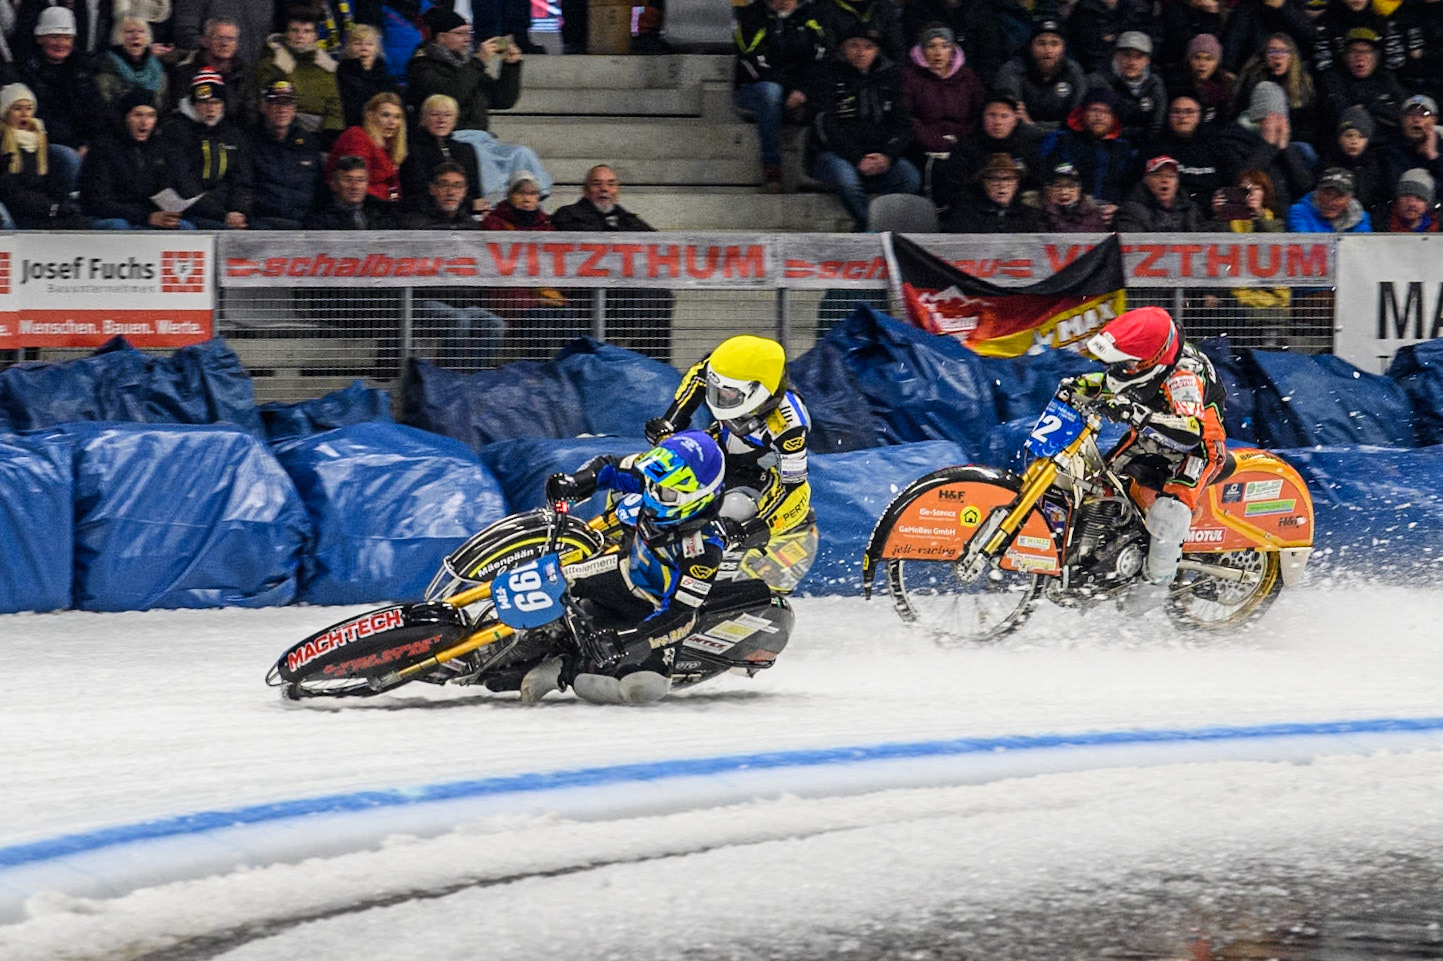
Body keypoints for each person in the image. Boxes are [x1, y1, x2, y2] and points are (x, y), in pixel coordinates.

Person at [530, 430, 761, 704]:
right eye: (651, 482)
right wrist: (575, 484)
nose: (651, 493)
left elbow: (680, 617)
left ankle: (566, 666)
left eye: (664, 490)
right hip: (625, 571)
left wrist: (626, 641)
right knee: (549, 579)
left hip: (655, 612)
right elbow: (608, 467)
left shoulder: (703, 550)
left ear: (694, 497)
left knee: (642, 688)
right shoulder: (658, 474)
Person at [1076, 306, 1227, 611]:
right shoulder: (1145, 356)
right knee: (1100, 484)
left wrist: (1136, 413)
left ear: (1150, 361)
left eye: (1127, 364)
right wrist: (1079, 386)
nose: (1120, 369)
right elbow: (1110, 382)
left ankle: (1153, 587)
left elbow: (1191, 431)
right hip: (1151, 432)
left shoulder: (1183, 376)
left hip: (1198, 447)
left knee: (1167, 516)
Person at [644, 335, 818, 594]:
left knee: (730, 511)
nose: (718, 398)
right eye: (717, 391)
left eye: (728, 395)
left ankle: (704, 575)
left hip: (760, 480)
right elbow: (696, 379)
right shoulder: (720, 373)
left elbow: (794, 488)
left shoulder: (789, 425)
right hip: (719, 450)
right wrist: (669, 426)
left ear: (758, 393)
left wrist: (758, 526)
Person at [552, 165, 675, 362]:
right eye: (597, 184)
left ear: (617, 191)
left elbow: (656, 246)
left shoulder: (629, 220)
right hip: (585, 296)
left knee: (660, 295)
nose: (604, 189)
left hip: (626, 296)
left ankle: (654, 367)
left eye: (610, 184)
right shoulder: (567, 215)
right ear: (585, 190)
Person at [807, 23, 919, 231]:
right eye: (854, 46)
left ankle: (870, 227)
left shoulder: (890, 76)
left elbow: (902, 124)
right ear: (843, 48)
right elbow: (825, 125)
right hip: (835, 155)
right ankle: (873, 229)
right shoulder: (828, 74)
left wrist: (887, 156)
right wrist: (857, 158)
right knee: (846, 180)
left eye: (868, 47)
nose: (861, 53)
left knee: (910, 177)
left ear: (877, 50)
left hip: (879, 155)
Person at [731, 0, 827, 193]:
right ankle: (772, 167)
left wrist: (803, 91)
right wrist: (791, 89)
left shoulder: (810, 16)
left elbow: (820, 59)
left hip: (798, 90)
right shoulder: (750, 15)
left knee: (828, 86)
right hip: (753, 88)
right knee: (771, 92)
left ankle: (815, 172)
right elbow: (753, 63)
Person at [80, 88, 194, 229]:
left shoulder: (160, 148)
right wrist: (146, 216)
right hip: (115, 216)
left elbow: (168, 188)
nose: (144, 122)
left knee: (185, 227)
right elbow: (96, 202)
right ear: (125, 117)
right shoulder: (103, 148)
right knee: (119, 226)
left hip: (147, 216)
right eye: (138, 115)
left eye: (151, 116)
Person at [19, 6, 100, 195]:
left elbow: (97, 112)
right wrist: (76, 145)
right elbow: (38, 118)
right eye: (55, 37)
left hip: (81, 143)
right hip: (41, 144)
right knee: (68, 157)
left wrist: (88, 143)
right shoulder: (26, 72)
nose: (61, 43)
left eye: (66, 38)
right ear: (40, 39)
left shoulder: (83, 71)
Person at [160, 68, 253, 230]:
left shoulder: (233, 134)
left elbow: (242, 180)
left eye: (215, 102)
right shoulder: (176, 130)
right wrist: (221, 214)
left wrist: (238, 210)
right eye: (204, 102)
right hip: (190, 212)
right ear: (193, 104)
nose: (210, 108)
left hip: (226, 213)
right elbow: (183, 181)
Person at [405, 7, 522, 132]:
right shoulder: (422, 66)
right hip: (450, 137)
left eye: (469, 33)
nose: (468, 39)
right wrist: (478, 61)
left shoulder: (466, 65)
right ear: (441, 37)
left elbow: (503, 100)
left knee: (521, 152)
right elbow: (451, 96)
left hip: (479, 135)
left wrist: (510, 66)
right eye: (460, 33)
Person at [900, 24, 983, 192]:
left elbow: (979, 112)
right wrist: (935, 142)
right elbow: (906, 117)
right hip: (924, 146)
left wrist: (959, 140)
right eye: (931, 46)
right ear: (922, 49)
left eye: (944, 46)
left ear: (952, 49)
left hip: (963, 142)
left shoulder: (967, 77)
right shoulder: (910, 77)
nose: (938, 53)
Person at [0, 82, 90, 228]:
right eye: (17, 109)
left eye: (29, 109)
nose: (24, 114)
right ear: (5, 112)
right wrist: (50, 208)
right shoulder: (2, 142)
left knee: (81, 223)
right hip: (19, 211)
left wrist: (57, 206)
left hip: (43, 207)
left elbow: (52, 184)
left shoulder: (40, 139)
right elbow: (10, 191)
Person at [1040, 85, 1134, 220]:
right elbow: (1045, 179)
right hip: (1066, 215)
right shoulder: (1060, 141)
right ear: (1082, 113)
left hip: (1111, 216)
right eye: (1094, 110)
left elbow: (1129, 187)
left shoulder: (1123, 149)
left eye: (1106, 112)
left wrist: (1119, 207)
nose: (1099, 116)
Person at [255, 6, 345, 140]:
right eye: (294, 30)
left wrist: (329, 135)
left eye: (306, 31)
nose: (300, 36)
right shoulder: (273, 62)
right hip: (282, 132)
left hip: (320, 137)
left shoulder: (327, 68)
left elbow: (335, 108)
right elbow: (264, 103)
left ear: (315, 36)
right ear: (286, 34)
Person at [249, 80, 323, 229]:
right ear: (265, 107)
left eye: (287, 104)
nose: (282, 109)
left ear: (294, 109)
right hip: (262, 222)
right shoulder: (250, 140)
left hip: (303, 224)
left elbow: (319, 187)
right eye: (276, 103)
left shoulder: (309, 142)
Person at [993, 19, 1087, 134]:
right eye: (1041, 43)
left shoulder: (1073, 71)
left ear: (1063, 48)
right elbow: (1013, 115)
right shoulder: (1013, 70)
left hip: (1064, 135)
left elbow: (1077, 116)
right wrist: (1032, 127)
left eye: (1054, 44)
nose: (1048, 50)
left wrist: (1036, 126)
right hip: (1023, 136)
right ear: (1031, 46)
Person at [1230, 33, 1321, 149]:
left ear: (1292, 56)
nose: (1277, 56)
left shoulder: (1302, 84)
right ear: (1265, 56)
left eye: (1283, 51)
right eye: (1272, 51)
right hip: (1256, 139)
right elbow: (1241, 115)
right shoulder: (1253, 80)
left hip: (1292, 143)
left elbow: (1308, 125)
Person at [400, 94, 485, 217]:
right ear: (423, 118)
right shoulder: (412, 150)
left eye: (448, 115)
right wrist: (469, 204)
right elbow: (417, 191)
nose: (442, 120)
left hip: (463, 215)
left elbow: (475, 192)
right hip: (423, 215)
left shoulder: (466, 150)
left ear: (455, 120)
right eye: (435, 115)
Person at [1318, 27, 1408, 139]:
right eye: (1354, 51)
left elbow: (1404, 112)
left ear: (1376, 56)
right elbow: (1337, 113)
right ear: (1345, 56)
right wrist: (1380, 107)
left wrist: (1367, 106)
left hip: (1387, 142)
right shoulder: (1333, 79)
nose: (1360, 58)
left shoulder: (1386, 78)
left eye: (1366, 52)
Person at [169, 17, 258, 127]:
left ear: (236, 45)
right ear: (205, 41)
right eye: (219, 38)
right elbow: (178, 112)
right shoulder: (185, 73)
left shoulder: (245, 74)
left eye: (230, 39)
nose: (225, 44)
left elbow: (251, 116)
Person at [1143, 94, 1226, 207]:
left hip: (1211, 213)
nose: (1182, 116)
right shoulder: (1153, 147)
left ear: (1199, 115)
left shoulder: (1217, 146)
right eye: (1176, 111)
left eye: (1189, 111)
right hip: (1168, 213)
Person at [325, 90, 405, 206]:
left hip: (382, 207)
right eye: (385, 115)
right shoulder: (357, 137)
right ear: (370, 115)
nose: (392, 122)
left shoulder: (390, 146)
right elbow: (355, 181)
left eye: (397, 117)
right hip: (359, 206)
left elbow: (394, 186)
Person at [1086, 31, 1166, 145]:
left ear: (1147, 61)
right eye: (1126, 55)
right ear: (1116, 55)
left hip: (1143, 147)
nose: (1132, 62)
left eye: (1138, 57)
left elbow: (1156, 126)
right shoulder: (1098, 81)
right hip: (1105, 146)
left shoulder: (1155, 85)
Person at [943, 151, 1042, 231]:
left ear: (1016, 184)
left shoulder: (1030, 216)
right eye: (995, 179)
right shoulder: (966, 216)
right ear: (985, 183)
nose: (1002, 185)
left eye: (1008, 179)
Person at [94, 16, 169, 111]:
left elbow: (163, 107)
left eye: (141, 31)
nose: (136, 36)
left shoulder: (158, 72)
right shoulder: (105, 68)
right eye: (129, 32)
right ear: (118, 36)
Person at [1115, 155, 1207, 231]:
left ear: (1177, 182)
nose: (1165, 180)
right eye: (1158, 175)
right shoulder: (1130, 211)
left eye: (1171, 176)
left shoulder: (1191, 210)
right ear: (1145, 179)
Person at [303, 153, 395, 228]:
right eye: (348, 180)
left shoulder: (381, 214)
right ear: (334, 184)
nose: (355, 186)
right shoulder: (320, 222)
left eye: (360, 180)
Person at [337, 23, 400, 128]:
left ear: (377, 49)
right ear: (348, 48)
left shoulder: (387, 79)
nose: (364, 48)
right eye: (358, 43)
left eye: (369, 44)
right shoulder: (340, 76)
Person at [1378, 93, 1443, 193]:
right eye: (1411, 114)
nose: (1417, 120)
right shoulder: (1390, 150)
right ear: (1403, 120)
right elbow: (1396, 187)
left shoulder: (1440, 148)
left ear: (1434, 120)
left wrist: (1433, 156)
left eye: (1424, 115)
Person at [1286, 165, 1373, 230]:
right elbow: (1303, 244)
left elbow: (1362, 248)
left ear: (1349, 198)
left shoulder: (1361, 218)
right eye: (1327, 193)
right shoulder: (1299, 212)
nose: (1331, 202)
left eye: (1339, 196)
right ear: (1317, 192)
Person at [1039, 160, 1108, 231]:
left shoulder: (1093, 214)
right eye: (1058, 186)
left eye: (1070, 186)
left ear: (1079, 189)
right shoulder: (1038, 214)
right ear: (1049, 190)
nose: (1064, 192)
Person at [1371, 167, 1439, 231]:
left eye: (1419, 198)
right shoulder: (1376, 224)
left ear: (1427, 205)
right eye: (1406, 196)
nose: (1412, 204)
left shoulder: (1438, 228)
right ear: (1397, 199)